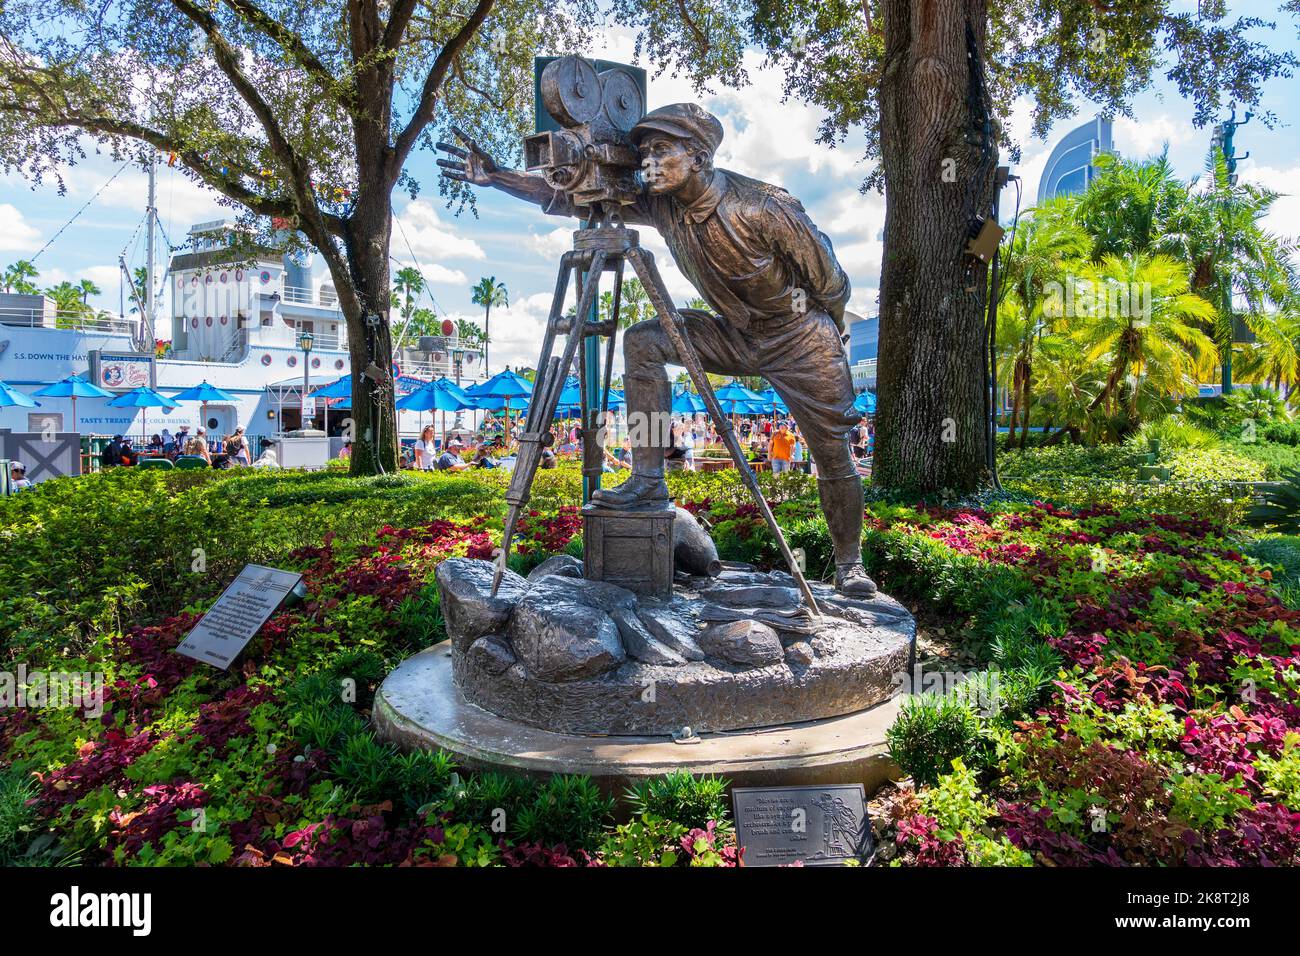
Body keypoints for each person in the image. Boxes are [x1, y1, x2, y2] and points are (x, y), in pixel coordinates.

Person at [442, 101, 877, 596]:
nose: (648, 161)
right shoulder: (662, 202)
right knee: (643, 341)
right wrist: (497, 177)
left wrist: (832, 340)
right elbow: (575, 200)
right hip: (734, 332)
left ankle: (849, 565)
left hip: (800, 338)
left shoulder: (764, 207)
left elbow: (831, 282)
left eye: (662, 150)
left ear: (699, 158)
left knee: (832, 455)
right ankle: (649, 477)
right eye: (645, 151)